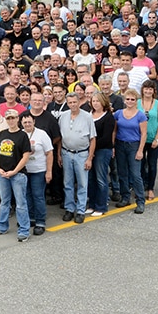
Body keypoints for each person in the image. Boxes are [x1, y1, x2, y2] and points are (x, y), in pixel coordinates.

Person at [0, 109, 31, 242]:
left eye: (13, 118)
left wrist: (14, 171)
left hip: (18, 175)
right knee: (4, 202)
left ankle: (24, 230)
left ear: (17, 119)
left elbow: (26, 156)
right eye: (8, 118)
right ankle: (2, 226)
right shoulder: (2, 133)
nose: (11, 121)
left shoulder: (23, 136)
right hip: (2, 174)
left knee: (20, 203)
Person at [58, 91, 96, 223]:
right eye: (70, 103)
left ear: (79, 102)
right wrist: (59, 154)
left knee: (82, 183)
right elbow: (60, 138)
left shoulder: (87, 117)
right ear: (67, 103)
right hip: (66, 153)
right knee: (67, 183)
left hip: (81, 154)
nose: (73, 105)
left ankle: (80, 210)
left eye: (75, 102)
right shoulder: (63, 116)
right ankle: (69, 208)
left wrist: (89, 158)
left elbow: (92, 139)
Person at [113, 88, 148, 213]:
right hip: (120, 144)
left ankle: (140, 201)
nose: (130, 101)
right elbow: (114, 130)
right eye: (128, 99)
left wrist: (140, 150)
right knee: (122, 173)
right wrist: (113, 146)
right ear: (124, 100)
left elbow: (144, 134)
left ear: (136, 101)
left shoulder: (140, 115)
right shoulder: (118, 113)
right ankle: (125, 197)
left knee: (135, 174)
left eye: (132, 99)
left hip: (134, 145)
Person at [21, 113, 52, 236]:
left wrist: (49, 171)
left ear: (34, 121)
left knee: (38, 195)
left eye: (29, 122)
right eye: (25, 122)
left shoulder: (42, 134)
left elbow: (49, 153)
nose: (27, 124)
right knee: (27, 195)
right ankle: (31, 218)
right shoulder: (21, 134)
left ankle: (40, 221)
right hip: (24, 171)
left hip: (39, 170)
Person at [87, 92, 116, 216]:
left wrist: (92, 148)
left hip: (102, 151)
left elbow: (106, 138)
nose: (95, 103)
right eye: (93, 101)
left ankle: (101, 206)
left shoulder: (108, 117)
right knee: (91, 178)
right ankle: (92, 204)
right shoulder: (89, 115)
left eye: (98, 101)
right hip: (90, 151)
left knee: (101, 179)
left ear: (103, 102)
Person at [138, 80, 158, 200]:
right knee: (141, 164)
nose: (148, 91)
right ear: (142, 90)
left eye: (150, 89)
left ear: (154, 91)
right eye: (146, 89)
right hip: (140, 139)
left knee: (152, 164)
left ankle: (151, 188)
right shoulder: (137, 103)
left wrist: (157, 138)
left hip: (153, 139)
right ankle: (142, 185)